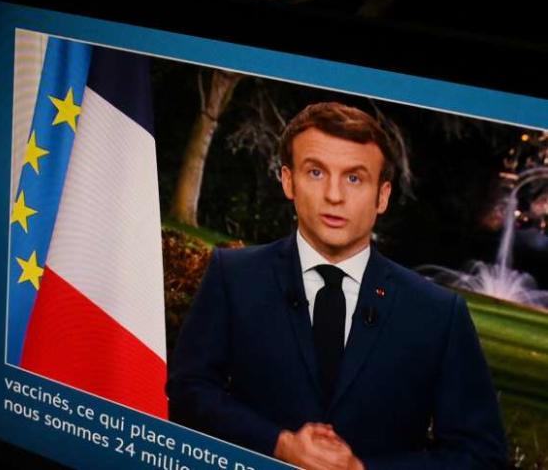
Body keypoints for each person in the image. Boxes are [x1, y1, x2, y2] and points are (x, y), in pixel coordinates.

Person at [167, 102, 506, 469]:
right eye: (315, 172)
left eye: (354, 178)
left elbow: (481, 455)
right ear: (288, 180)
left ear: (382, 196)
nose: (334, 195)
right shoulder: (233, 276)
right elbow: (189, 391)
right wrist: (278, 445)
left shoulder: (438, 313)